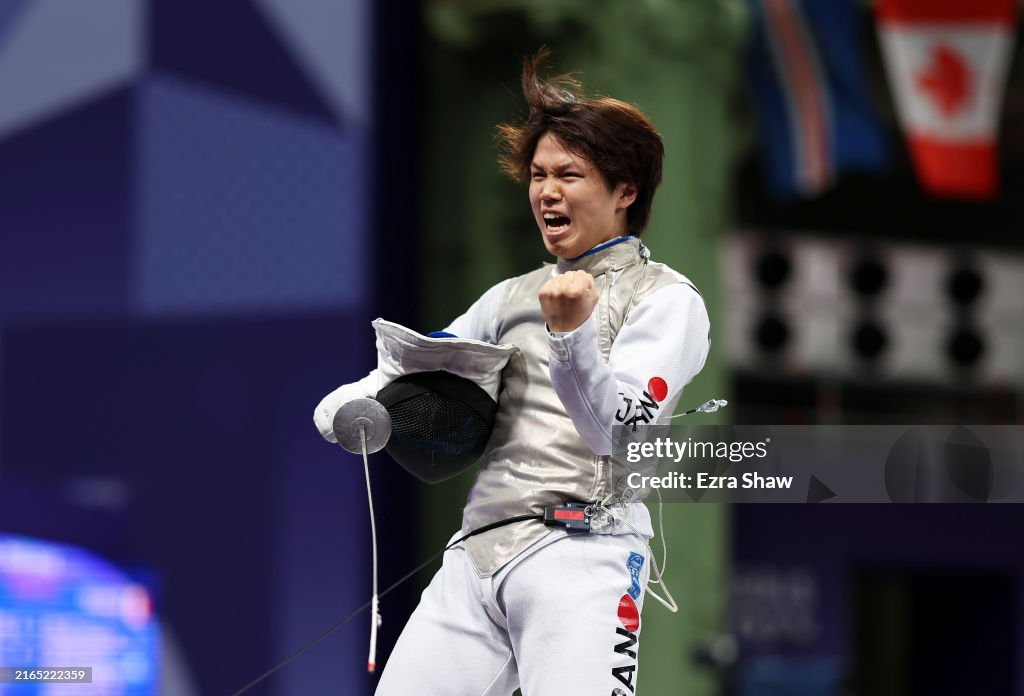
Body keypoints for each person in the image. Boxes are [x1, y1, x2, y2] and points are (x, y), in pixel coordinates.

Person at [314, 49, 710, 695]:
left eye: (570, 174)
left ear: (625, 191)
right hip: (477, 556)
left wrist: (572, 336)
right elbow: (421, 354)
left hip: (585, 557)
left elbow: (621, 434)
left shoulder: (667, 299)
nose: (547, 191)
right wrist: (353, 401)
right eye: (537, 174)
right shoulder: (510, 295)